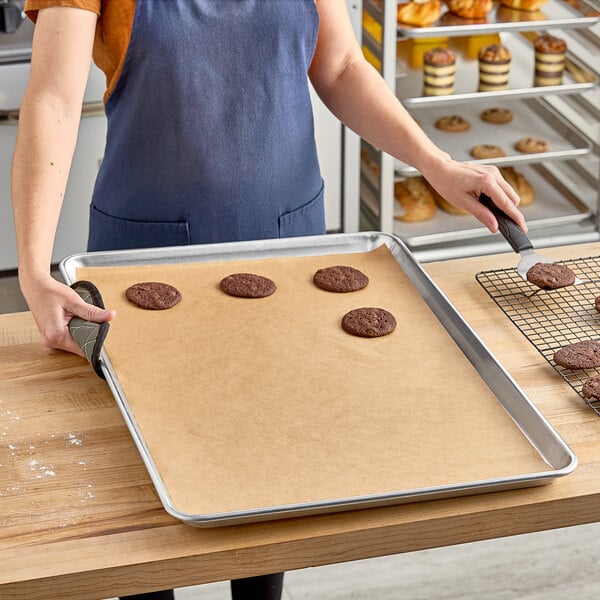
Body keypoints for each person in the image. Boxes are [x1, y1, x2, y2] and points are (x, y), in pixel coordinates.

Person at [11, 1, 527, 599]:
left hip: (287, 249)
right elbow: (52, 98)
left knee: (273, 460)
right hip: (143, 256)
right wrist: (33, 268)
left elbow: (336, 67)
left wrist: (434, 163)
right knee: (146, 496)